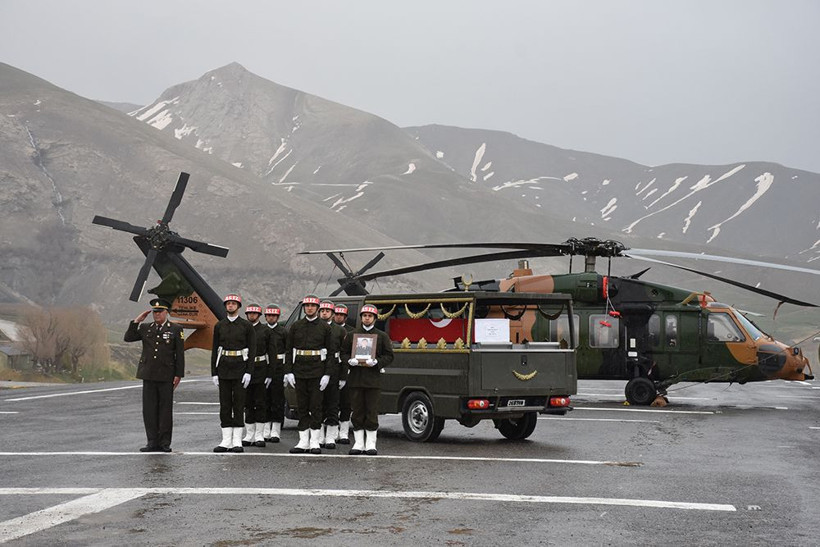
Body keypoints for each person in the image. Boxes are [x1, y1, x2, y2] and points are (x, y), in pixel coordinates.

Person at [124, 298, 185, 453]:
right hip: (149, 374)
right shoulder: (145, 328)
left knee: (165, 410)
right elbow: (128, 337)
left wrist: (178, 374)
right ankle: (152, 442)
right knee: (149, 410)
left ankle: (165, 443)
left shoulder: (176, 329)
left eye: (160, 312)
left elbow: (179, 354)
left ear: (166, 313)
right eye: (154, 312)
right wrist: (136, 321)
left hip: (166, 375)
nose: (156, 315)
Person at [342, 304, 394, 455]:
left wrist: (377, 362)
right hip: (356, 378)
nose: (367, 318)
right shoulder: (352, 335)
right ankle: (358, 443)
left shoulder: (382, 336)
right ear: (361, 318)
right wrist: (349, 361)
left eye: (370, 316)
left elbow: (390, 356)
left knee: (371, 411)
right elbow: (343, 353)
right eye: (364, 315)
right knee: (357, 411)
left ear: (375, 319)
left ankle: (371, 443)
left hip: (373, 380)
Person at [284, 294, 332, 454]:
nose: (309, 308)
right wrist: (288, 371)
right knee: (302, 407)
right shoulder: (296, 326)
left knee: (316, 407)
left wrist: (327, 374)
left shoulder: (325, 328)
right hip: (299, 371)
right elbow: (289, 350)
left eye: (312, 306)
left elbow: (331, 353)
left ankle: (315, 441)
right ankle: (303, 441)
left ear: (318, 308)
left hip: (317, 371)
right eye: (307, 306)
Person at [211, 293, 256, 453]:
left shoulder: (246, 326)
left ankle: (237, 440)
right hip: (223, 368)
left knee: (238, 405)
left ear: (238, 307)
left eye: (233, 303)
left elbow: (252, 350)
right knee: (225, 405)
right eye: (228, 303)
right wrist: (214, 373)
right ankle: (226, 440)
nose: (230, 305)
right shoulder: (219, 326)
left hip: (240, 369)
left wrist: (249, 372)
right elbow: (215, 350)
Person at [241, 304, 272, 448]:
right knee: (247, 403)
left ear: (259, 315)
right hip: (245, 369)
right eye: (250, 313)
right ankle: (249, 434)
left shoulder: (265, 330)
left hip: (261, 369)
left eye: (255, 313)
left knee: (260, 403)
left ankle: (259, 434)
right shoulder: (243, 329)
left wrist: (270, 373)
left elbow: (272, 353)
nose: (252, 315)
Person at [318, 300, 347, 449]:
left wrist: (343, 376)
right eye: (322, 310)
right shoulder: (315, 328)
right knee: (318, 404)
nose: (324, 313)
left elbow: (343, 355)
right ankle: (319, 436)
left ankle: (330, 436)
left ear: (332, 314)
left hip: (335, 369)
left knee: (333, 404)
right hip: (317, 368)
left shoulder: (340, 331)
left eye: (327, 311)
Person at [263, 304, 287, 443]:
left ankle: (276, 430)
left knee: (277, 400)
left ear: (277, 317)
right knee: (264, 399)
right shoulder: (261, 331)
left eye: (273, 316)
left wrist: (286, 372)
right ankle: (266, 429)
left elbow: (288, 351)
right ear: (265, 316)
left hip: (279, 367)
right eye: (269, 315)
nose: (271, 318)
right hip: (264, 367)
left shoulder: (283, 332)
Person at [333, 304, 354, 445]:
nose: (338, 317)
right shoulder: (329, 330)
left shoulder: (352, 332)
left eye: (341, 315)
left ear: (345, 317)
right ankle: (333, 431)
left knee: (346, 403)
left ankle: (344, 432)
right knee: (332, 403)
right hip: (333, 370)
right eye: (337, 314)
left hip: (347, 369)